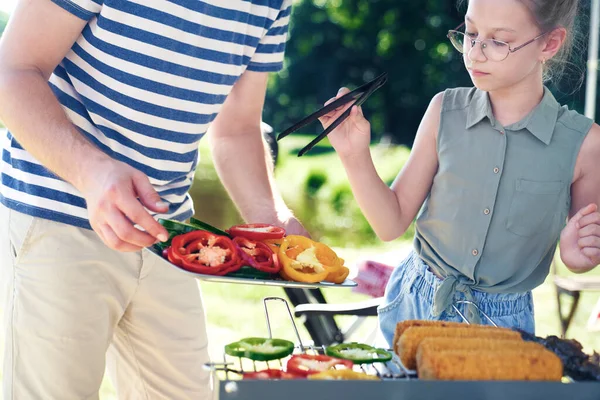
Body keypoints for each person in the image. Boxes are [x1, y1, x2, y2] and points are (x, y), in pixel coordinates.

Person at [0, 0, 307, 398]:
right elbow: (13, 70)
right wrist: (92, 172)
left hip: (169, 237)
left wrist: (272, 220)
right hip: (57, 216)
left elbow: (237, 128)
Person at [318, 0, 600, 347]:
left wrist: (579, 256)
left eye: (498, 41)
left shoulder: (585, 145)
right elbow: (389, 224)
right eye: (470, 33)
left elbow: (581, 252)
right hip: (412, 309)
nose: (475, 54)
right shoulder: (443, 110)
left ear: (549, 43)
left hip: (503, 332)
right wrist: (353, 155)